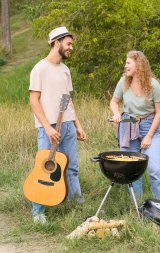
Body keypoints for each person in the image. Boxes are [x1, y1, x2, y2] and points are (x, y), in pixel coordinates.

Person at [29, 26, 87, 224]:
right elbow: (34, 101)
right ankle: (38, 212)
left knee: (71, 168)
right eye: (68, 43)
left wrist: (78, 124)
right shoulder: (40, 68)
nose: (71, 47)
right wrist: (47, 127)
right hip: (48, 129)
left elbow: (68, 100)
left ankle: (76, 206)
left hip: (68, 125)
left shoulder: (65, 70)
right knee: (44, 168)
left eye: (72, 44)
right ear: (56, 42)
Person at [110, 50, 160, 200]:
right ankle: (138, 203)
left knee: (154, 168)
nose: (125, 66)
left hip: (150, 126)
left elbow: (159, 113)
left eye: (128, 62)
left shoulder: (153, 85)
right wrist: (116, 113)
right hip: (128, 126)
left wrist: (148, 136)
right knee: (131, 167)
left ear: (139, 64)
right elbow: (114, 101)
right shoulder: (123, 82)